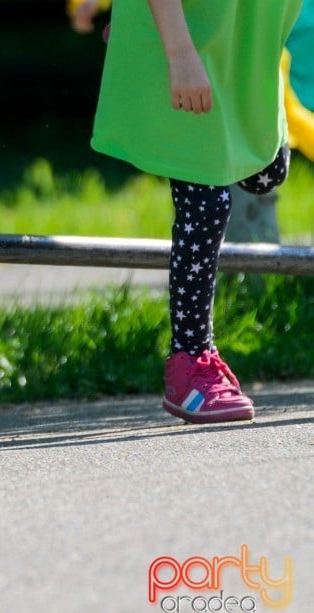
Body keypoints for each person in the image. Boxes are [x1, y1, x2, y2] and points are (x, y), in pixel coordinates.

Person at [90, 0, 302, 424]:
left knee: (267, 171)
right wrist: (178, 54)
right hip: (186, 43)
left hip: (239, 47)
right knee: (206, 205)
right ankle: (190, 364)